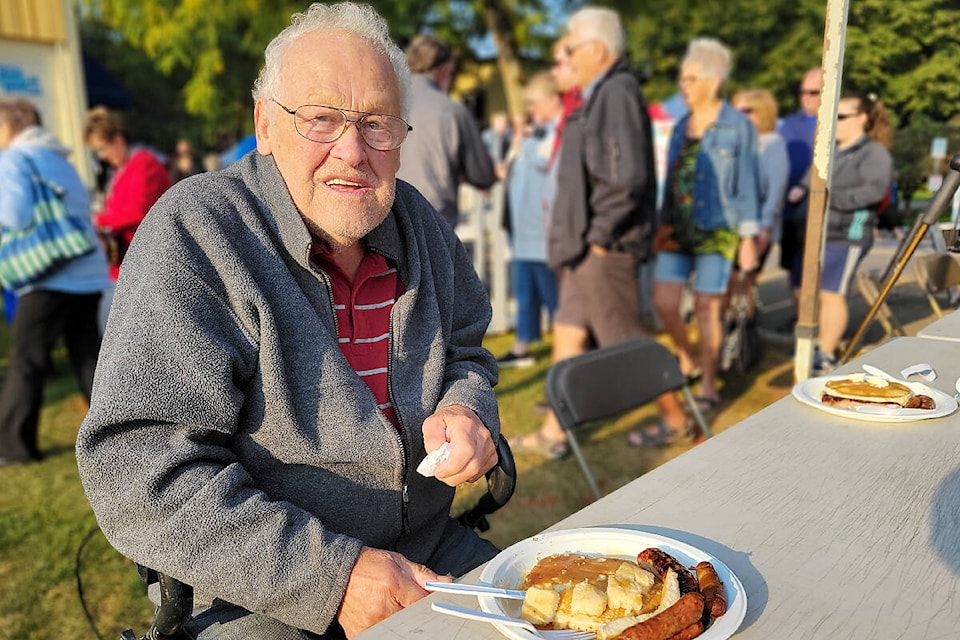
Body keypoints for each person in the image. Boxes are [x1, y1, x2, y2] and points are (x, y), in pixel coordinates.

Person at [75, 3, 501, 638]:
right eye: (322, 120)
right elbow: (136, 469)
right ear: (265, 125)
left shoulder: (420, 224)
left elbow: (467, 351)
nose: (352, 152)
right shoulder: (198, 232)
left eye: (377, 124)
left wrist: (469, 409)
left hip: (432, 549)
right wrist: (333, 577)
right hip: (265, 593)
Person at [509, 7, 694, 458]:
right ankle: (555, 432)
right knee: (569, 333)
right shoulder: (598, 95)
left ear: (597, 49)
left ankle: (678, 420)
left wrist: (598, 239)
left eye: (570, 48)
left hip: (602, 249)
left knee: (625, 340)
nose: (565, 58)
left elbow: (624, 178)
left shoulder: (615, 91)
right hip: (584, 249)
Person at [649, 38, 760, 420]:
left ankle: (709, 381)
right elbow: (673, 177)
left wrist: (748, 238)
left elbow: (747, 182)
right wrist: (660, 224)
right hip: (675, 228)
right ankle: (687, 356)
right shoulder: (681, 125)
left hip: (719, 228)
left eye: (691, 79)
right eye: (682, 79)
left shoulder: (738, 126)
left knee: (707, 307)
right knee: (664, 301)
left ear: (714, 81)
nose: (684, 86)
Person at [0, 97, 112, 466]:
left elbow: (15, 214)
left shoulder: (14, 159)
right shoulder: (57, 157)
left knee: (27, 358)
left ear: (10, 125)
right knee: (88, 356)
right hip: (85, 269)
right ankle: (119, 434)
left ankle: (14, 446)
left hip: (47, 273)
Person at [797, 92, 892, 374]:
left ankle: (826, 355)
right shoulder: (831, 150)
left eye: (841, 116)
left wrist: (831, 198)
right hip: (822, 234)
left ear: (862, 118)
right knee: (823, 294)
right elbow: (809, 180)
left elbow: (874, 191)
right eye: (832, 116)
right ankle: (822, 346)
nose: (834, 122)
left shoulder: (874, 152)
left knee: (834, 293)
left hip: (849, 234)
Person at [396, 33, 496, 228]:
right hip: (435, 220)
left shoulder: (386, 102)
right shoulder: (453, 111)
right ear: (444, 71)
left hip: (387, 218)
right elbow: (483, 174)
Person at [497, 73, 563, 368]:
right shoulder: (534, 135)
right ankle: (523, 344)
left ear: (552, 100)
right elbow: (510, 166)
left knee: (554, 297)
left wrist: (527, 141)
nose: (530, 111)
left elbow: (545, 162)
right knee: (525, 291)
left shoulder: (556, 135)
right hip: (523, 231)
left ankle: (569, 351)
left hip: (543, 234)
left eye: (534, 104)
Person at [83, 106, 171, 280]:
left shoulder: (144, 163)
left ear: (117, 138)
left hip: (150, 262)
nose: (102, 156)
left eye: (102, 148)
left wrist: (98, 220)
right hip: (129, 265)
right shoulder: (121, 170)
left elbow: (139, 212)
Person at [730, 88, 789, 315]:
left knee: (743, 283)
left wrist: (765, 227)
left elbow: (776, 191)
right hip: (731, 225)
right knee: (730, 284)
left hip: (757, 227)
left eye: (746, 111)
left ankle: (743, 338)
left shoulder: (772, 145)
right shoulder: (738, 143)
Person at [779, 67, 823, 314]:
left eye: (813, 92)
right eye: (803, 92)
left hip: (818, 210)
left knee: (810, 266)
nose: (806, 97)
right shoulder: (789, 124)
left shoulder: (835, 123)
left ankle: (812, 319)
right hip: (789, 211)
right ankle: (799, 316)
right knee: (792, 266)